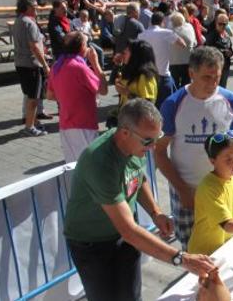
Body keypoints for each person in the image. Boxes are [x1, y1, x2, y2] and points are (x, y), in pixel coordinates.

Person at [63, 99, 216, 301]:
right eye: (148, 141)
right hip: (92, 244)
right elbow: (129, 231)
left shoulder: (136, 145)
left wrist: (155, 212)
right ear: (124, 132)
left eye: (157, 138)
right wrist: (181, 258)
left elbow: (137, 176)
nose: (153, 146)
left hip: (123, 237)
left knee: (131, 296)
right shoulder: (100, 162)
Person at [155, 47, 233, 249]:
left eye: (216, 77)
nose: (213, 83)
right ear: (191, 73)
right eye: (206, 77)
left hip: (222, 189)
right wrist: (182, 189)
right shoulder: (173, 104)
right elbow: (160, 151)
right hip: (188, 191)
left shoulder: (230, 100)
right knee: (191, 248)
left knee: (224, 242)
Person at [46, 32, 108, 162]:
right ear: (82, 47)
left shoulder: (57, 66)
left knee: (73, 166)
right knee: (89, 165)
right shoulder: (80, 68)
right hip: (83, 124)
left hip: (66, 124)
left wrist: (69, 96)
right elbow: (103, 90)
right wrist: (96, 64)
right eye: (87, 43)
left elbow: (50, 95)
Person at [12, 0, 50, 136]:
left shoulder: (18, 20)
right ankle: (30, 127)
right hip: (31, 64)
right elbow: (34, 46)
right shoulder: (29, 22)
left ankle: (32, 121)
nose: (37, 8)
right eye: (34, 6)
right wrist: (45, 65)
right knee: (34, 97)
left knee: (30, 95)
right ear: (27, 7)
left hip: (22, 64)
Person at [138, 12, 186, 108]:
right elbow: (183, 44)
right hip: (162, 75)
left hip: (146, 75)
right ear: (163, 21)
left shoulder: (141, 35)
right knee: (167, 106)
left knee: (150, 107)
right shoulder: (166, 33)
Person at [115, 40, 159, 108]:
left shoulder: (144, 76)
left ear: (136, 55)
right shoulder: (132, 71)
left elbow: (148, 105)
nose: (124, 52)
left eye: (128, 50)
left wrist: (127, 93)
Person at [169, 12, 197, 89]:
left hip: (173, 62)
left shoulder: (169, 31)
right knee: (186, 85)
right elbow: (195, 43)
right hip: (188, 60)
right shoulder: (189, 27)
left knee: (175, 85)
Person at [205, 14, 233, 88]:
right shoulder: (211, 36)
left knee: (223, 88)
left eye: (224, 24)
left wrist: (231, 52)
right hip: (214, 67)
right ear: (216, 23)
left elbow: (230, 47)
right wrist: (224, 52)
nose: (222, 26)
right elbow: (210, 50)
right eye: (220, 24)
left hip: (225, 65)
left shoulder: (226, 35)